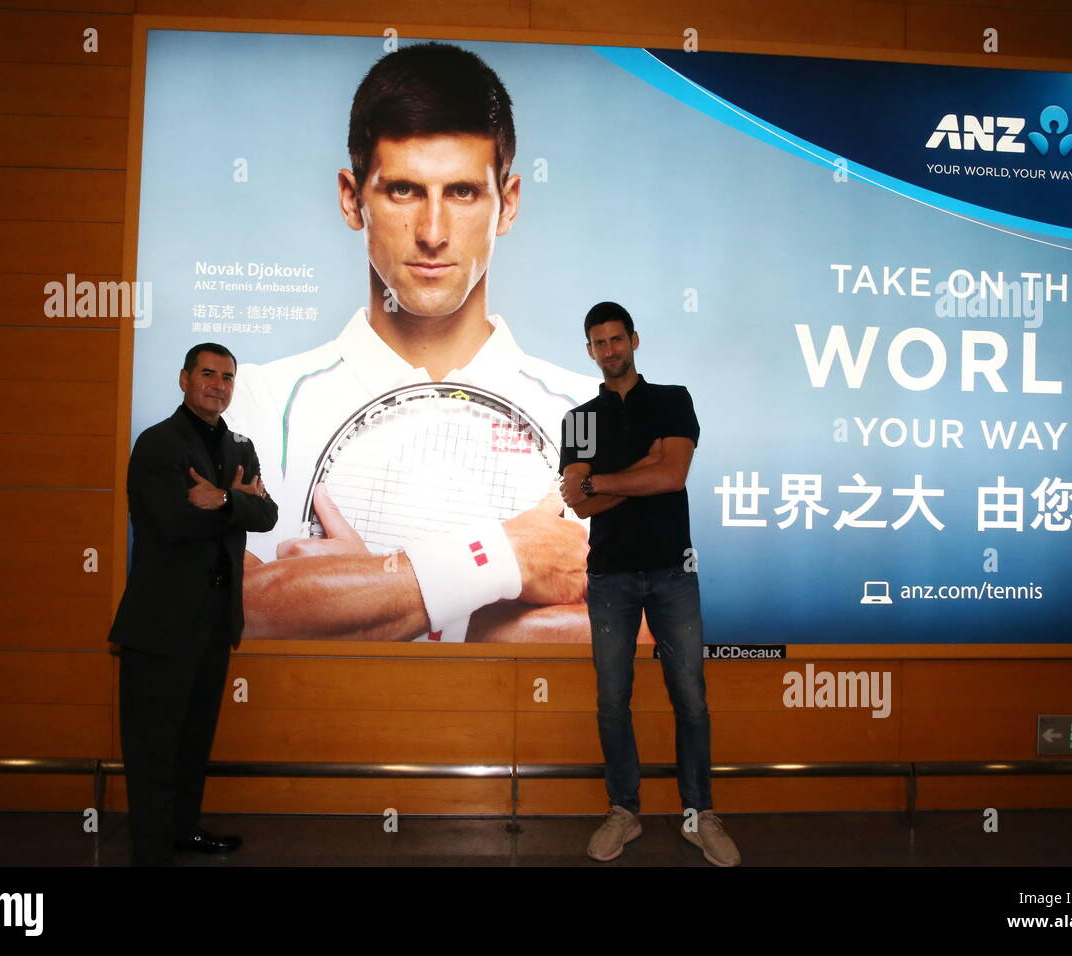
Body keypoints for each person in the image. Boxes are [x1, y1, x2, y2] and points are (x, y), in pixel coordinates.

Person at [224, 42, 599, 644]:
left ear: (508, 204)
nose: (432, 233)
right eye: (403, 191)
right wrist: (506, 561)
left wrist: (364, 591)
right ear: (352, 199)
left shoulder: (595, 413)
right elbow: (232, 610)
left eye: (462, 193)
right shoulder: (256, 403)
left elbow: (646, 633)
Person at [559, 302, 741, 867]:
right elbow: (576, 500)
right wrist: (644, 471)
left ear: (634, 339)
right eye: (599, 342)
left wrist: (606, 480)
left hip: (672, 572)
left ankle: (698, 815)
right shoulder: (580, 419)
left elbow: (673, 475)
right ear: (590, 350)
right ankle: (624, 812)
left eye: (618, 339)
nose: (610, 349)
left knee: (690, 697)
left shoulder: (672, 399)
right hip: (609, 575)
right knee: (613, 700)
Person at [108, 343, 278, 866]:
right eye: (208, 374)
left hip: (215, 619)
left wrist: (223, 499)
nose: (218, 385)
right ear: (184, 379)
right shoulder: (159, 444)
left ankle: (183, 831)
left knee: (194, 737)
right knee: (154, 744)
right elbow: (172, 523)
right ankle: (153, 850)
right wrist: (235, 507)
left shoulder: (240, 446)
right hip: (162, 622)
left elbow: (267, 514)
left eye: (228, 377)